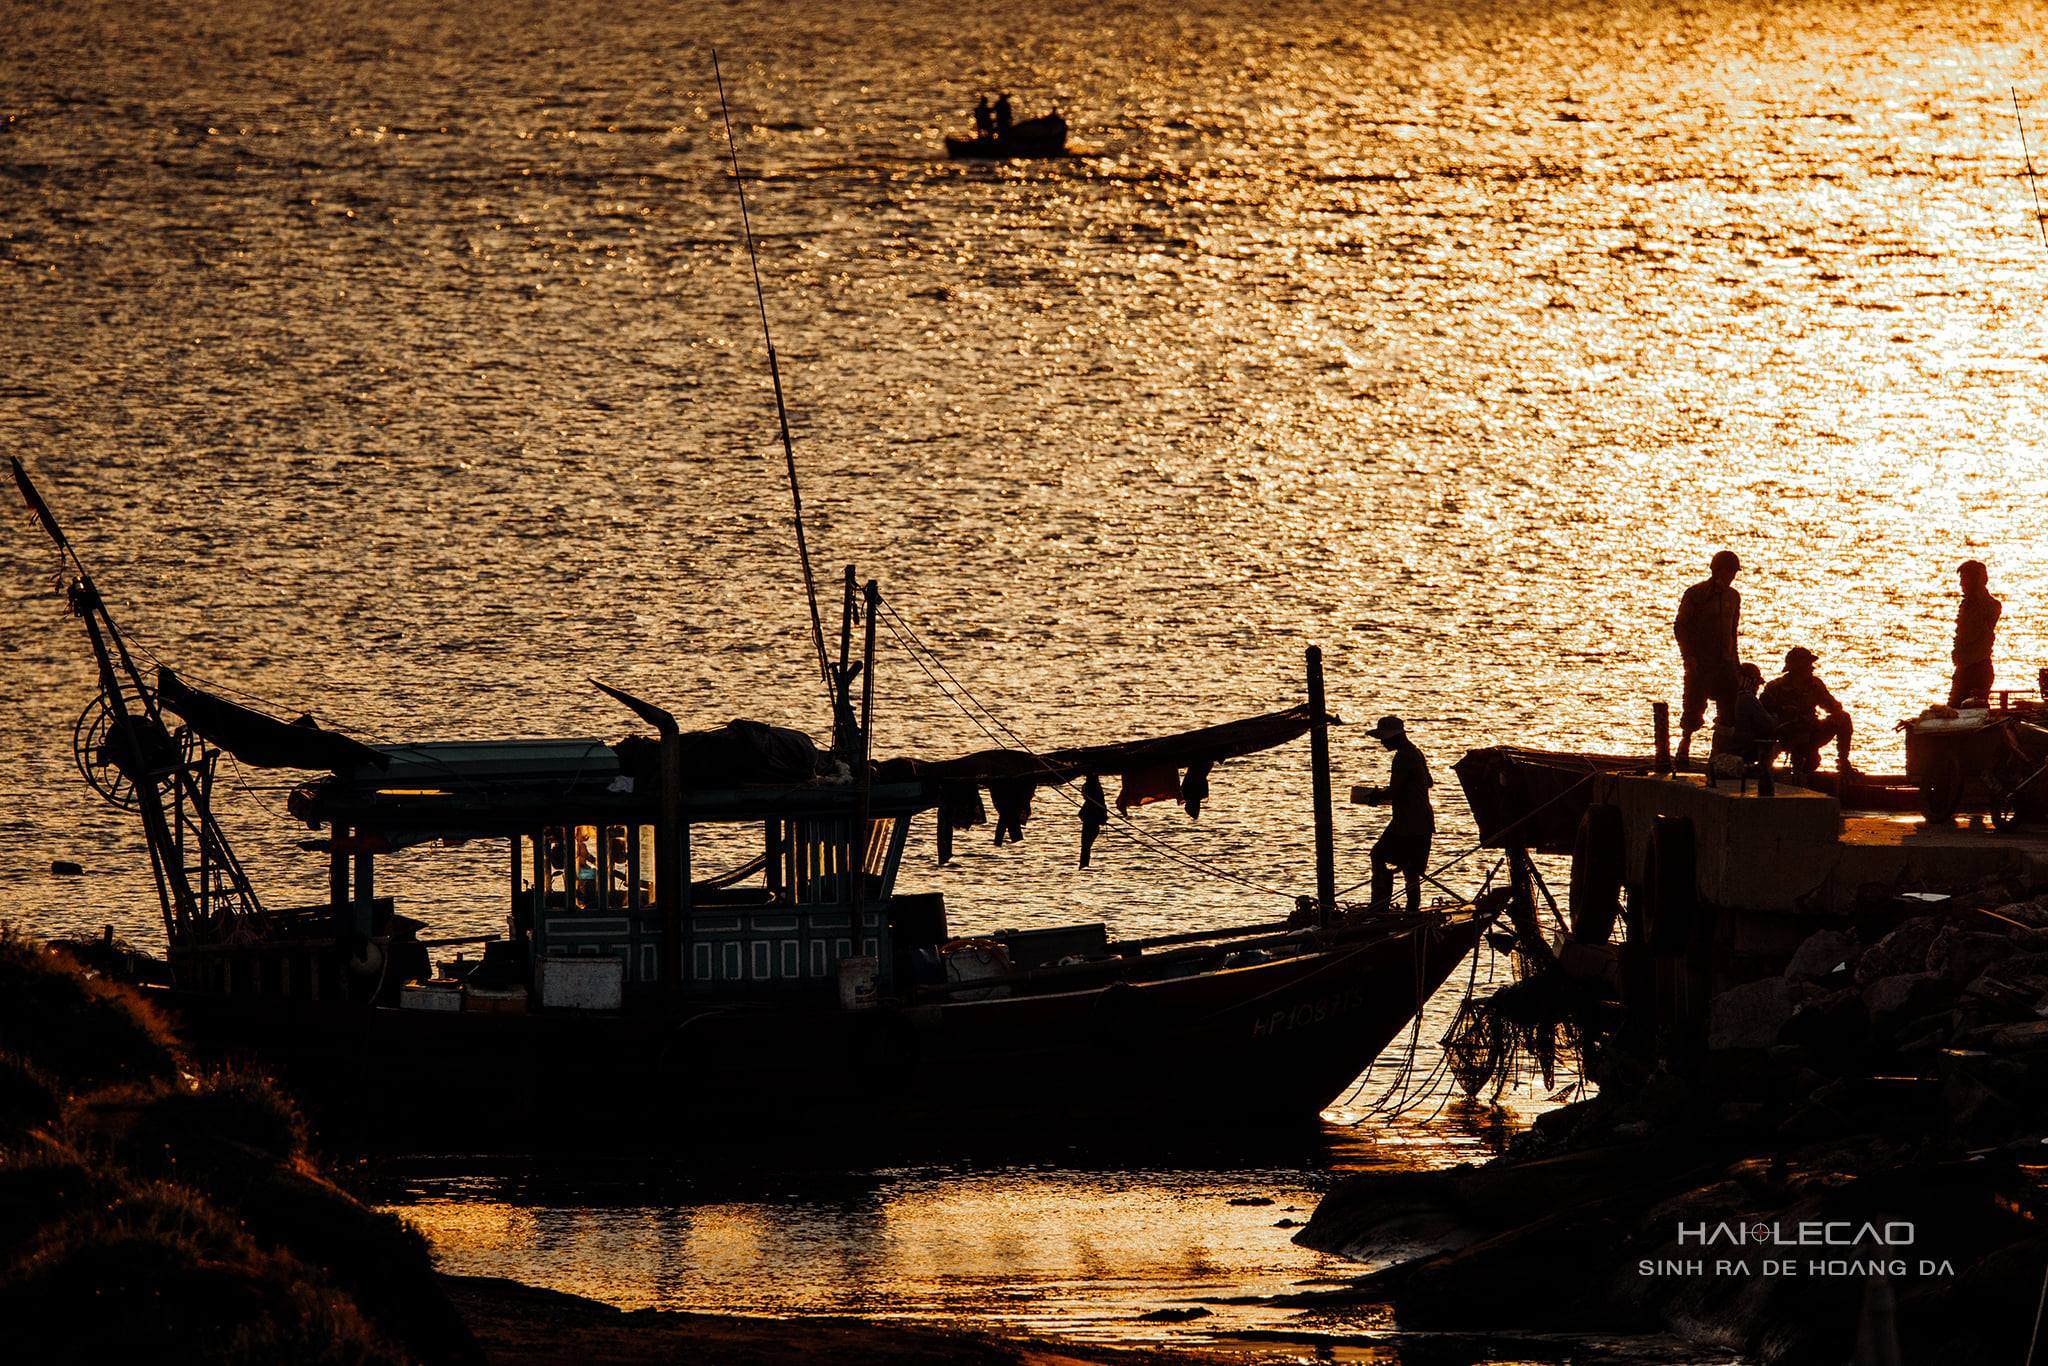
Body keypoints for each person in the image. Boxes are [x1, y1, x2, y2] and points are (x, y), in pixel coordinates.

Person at [1357, 715, 1433, 914]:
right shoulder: (1415, 753)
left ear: (1395, 737)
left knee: (1378, 855)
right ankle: (1411, 910)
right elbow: (1428, 782)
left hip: (1408, 822)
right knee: (1411, 869)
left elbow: (1396, 790)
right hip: (1420, 820)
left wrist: (1375, 795)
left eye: (1384, 738)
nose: (1382, 742)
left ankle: (1379, 908)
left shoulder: (1403, 757)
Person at [1673, 550, 1742, 765]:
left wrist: (1736, 663)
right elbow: (1680, 627)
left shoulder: (1733, 597)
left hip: (1726, 663)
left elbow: (1733, 631)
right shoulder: (1696, 594)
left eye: (1734, 572)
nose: (1731, 576)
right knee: (1693, 708)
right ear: (1716, 570)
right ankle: (1683, 748)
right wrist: (1689, 657)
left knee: (1729, 710)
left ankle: (1719, 755)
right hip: (1701, 663)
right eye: (1728, 571)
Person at [1760, 647, 1855, 781]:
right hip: (1786, 735)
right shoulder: (1775, 687)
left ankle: (1843, 762)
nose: (1812, 668)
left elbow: (1833, 707)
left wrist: (1827, 710)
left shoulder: (1815, 684)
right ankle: (1796, 768)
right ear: (1798, 667)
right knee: (1809, 759)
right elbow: (1763, 717)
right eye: (1808, 665)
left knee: (1843, 718)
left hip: (1811, 731)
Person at [1711, 663, 1781, 773]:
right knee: (1775, 742)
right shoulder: (1747, 698)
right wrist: (1775, 714)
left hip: (1722, 749)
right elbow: (1769, 725)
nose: (1757, 687)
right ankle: (1765, 773)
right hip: (1741, 749)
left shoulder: (1726, 699)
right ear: (1751, 681)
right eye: (1757, 683)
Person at [1951, 559, 2002, 707]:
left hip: (1977, 668)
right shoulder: (1967, 605)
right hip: (1965, 668)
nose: (1961, 584)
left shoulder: (1989, 606)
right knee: (1955, 709)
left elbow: (1972, 635)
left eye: (1964, 579)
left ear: (1975, 580)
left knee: (1968, 711)